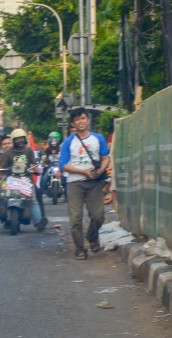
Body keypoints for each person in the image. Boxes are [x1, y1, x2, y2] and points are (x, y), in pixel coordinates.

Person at [59, 107, 110, 259]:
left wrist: (100, 170)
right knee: (75, 219)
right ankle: (80, 249)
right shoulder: (68, 142)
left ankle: (92, 237)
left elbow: (105, 157)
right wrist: (83, 172)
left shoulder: (98, 138)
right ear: (73, 123)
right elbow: (63, 165)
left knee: (98, 215)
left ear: (87, 120)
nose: (80, 122)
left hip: (94, 182)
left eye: (82, 118)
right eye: (76, 120)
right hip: (74, 183)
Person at [0, 128, 47, 231]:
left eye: (22, 139)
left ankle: (38, 222)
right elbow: (1, 166)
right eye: (17, 139)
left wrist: (36, 170)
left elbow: (33, 164)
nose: (20, 142)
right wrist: (0, 170)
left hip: (26, 178)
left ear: (25, 140)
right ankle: (3, 214)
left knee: (33, 199)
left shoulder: (29, 150)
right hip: (11, 178)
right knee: (0, 191)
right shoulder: (8, 152)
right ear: (13, 141)